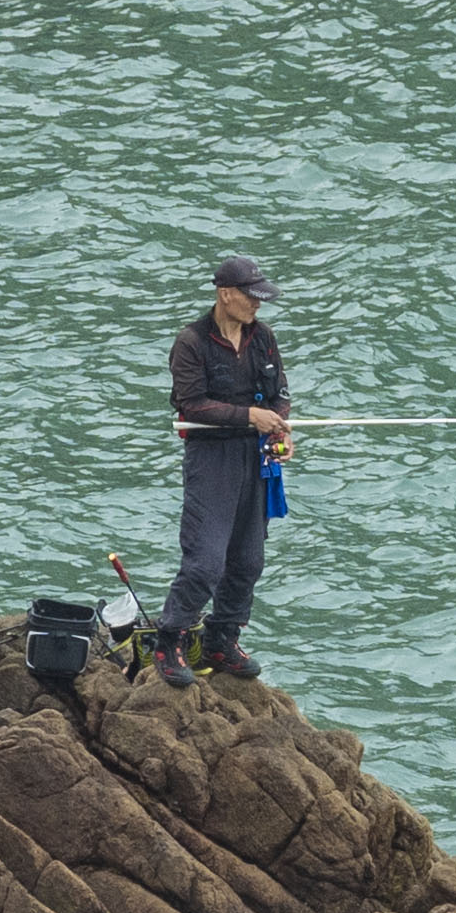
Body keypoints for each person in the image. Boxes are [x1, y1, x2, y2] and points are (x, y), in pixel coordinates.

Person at [153, 256, 290, 686]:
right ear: (225, 294)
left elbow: (279, 394)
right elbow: (191, 405)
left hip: (255, 455)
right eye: (251, 297)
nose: (257, 306)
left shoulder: (262, 338)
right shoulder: (191, 343)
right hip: (211, 461)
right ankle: (170, 638)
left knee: (248, 559)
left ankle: (222, 637)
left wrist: (279, 428)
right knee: (205, 562)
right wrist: (251, 416)